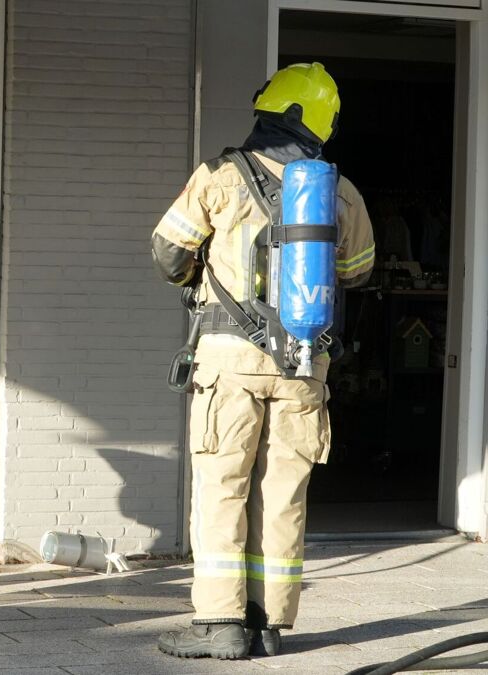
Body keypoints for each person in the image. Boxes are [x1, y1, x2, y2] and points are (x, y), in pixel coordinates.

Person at [151, 62, 376, 659]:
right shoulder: (340, 192)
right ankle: (269, 625)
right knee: (283, 494)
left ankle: (218, 626)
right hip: (305, 365)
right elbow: (359, 272)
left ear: (272, 110)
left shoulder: (219, 177)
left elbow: (167, 253)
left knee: (222, 487)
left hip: (230, 362)